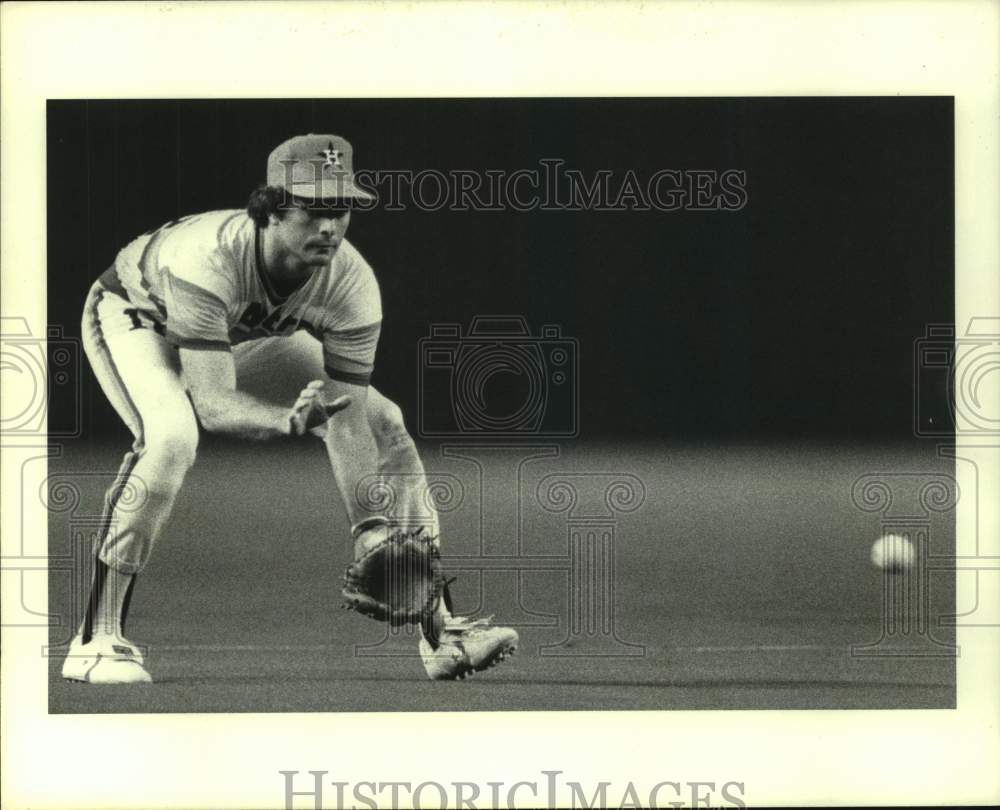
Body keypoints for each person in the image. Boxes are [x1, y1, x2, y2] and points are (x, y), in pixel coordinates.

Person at [62, 133, 518, 684]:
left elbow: (344, 415)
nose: (330, 226)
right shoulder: (206, 260)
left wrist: (369, 528)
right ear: (271, 210)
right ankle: (95, 639)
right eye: (313, 210)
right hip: (140, 318)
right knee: (172, 438)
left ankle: (441, 635)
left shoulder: (351, 282)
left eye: (341, 209)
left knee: (386, 425)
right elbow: (211, 402)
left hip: (236, 335)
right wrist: (283, 419)